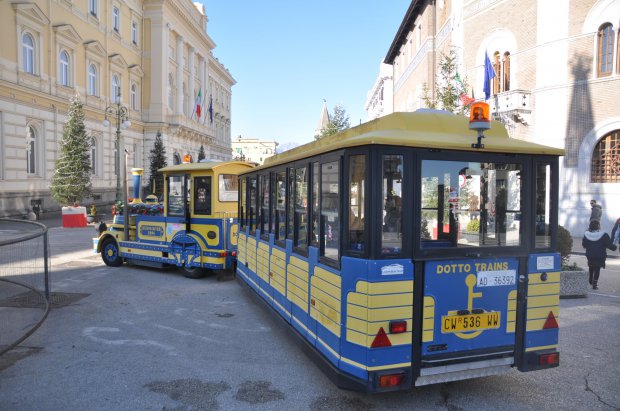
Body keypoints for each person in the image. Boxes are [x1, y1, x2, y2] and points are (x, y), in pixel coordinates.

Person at [582, 220, 617, 290]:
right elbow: (609, 245)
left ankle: (590, 280)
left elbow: (584, 244)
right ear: (598, 226)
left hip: (590, 255)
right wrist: (614, 247)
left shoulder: (586, 234)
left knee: (591, 267)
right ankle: (594, 284)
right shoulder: (604, 235)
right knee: (597, 269)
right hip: (600, 255)